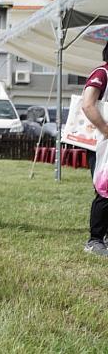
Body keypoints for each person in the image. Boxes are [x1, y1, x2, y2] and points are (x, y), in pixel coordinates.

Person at [81, 41, 108, 256]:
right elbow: (87, 104)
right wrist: (105, 129)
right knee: (104, 190)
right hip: (102, 142)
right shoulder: (102, 72)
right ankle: (95, 240)